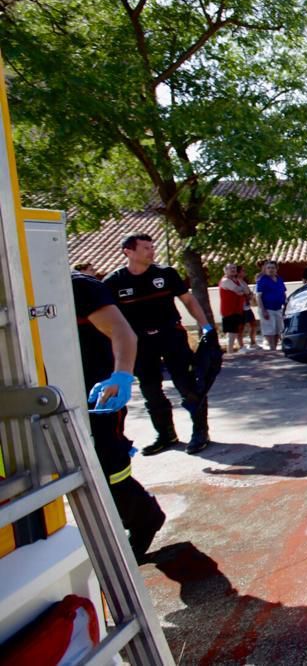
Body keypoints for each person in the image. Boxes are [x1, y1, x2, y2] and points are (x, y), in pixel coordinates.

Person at [72, 270, 165, 561]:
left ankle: (142, 517)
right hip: (55, 397)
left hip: (100, 396)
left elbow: (121, 331)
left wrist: (122, 375)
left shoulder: (77, 286)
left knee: (108, 465)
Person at [103, 233, 215, 455]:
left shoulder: (166, 274)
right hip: (140, 343)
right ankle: (166, 435)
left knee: (188, 386)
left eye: (152, 247)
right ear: (129, 252)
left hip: (171, 336)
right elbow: (107, 317)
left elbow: (189, 301)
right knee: (151, 390)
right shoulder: (114, 282)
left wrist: (206, 327)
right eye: (146, 248)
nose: (152, 252)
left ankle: (200, 432)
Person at [256, 260, 287, 351]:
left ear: (276, 269)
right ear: (265, 269)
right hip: (267, 309)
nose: (270, 270)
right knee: (270, 330)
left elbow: (283, 292)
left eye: (272, 268)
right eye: (268, 268)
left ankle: (275, 347)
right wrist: (263, 310)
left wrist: (285, 304)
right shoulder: (262, 280)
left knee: (278, 329)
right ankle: (272, 347)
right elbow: (258, 296)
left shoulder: (279, 279)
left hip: (278, 308)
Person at [218, 263, 247, 353]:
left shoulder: (236, 280)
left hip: (237, 310)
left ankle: (232, 351)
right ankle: (230, 352)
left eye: (234, 268)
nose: (233, 270)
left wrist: (241, 288)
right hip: (229, 310)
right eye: (230, 268)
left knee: (235, 331)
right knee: (232, 332)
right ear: (225, 270)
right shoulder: (225, 281)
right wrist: (242, 290)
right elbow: (239, 291)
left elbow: (246, 290)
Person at [237, 266, 259, 349]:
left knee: (253, 324)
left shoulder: (243, 281)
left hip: (247, 306)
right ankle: (241, 345)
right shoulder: (236, 282)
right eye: (243, 271)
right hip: (241, 307)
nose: (244, 272)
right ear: (239, 272)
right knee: (241, 327)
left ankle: (253, 342)